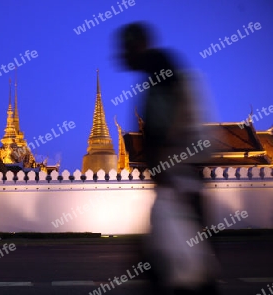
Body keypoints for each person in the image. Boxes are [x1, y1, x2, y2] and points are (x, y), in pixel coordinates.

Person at [114, 22, 220, 295]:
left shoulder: (162, 77)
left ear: (137, 46)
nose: (121, 56)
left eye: (125, 49)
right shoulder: (163, 75)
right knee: (174, 266)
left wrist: (160, 165)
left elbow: (164, 130)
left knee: (184, 273)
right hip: (179, 184)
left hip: (177, 184)